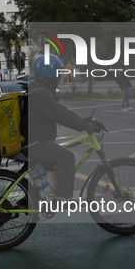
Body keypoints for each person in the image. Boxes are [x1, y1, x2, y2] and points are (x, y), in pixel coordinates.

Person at [28, 54, 98, 200]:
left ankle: (43, 198)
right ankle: (62, 199)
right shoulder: (40, 93)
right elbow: (61, 114)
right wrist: (84, 125)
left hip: (34, 139)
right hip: (35, 142)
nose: (59, 77)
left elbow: (59, 112)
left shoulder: (39, 88)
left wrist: (83, 121)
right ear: (49, 72)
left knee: (52, 168)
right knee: (66, 158)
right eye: (58, 72)